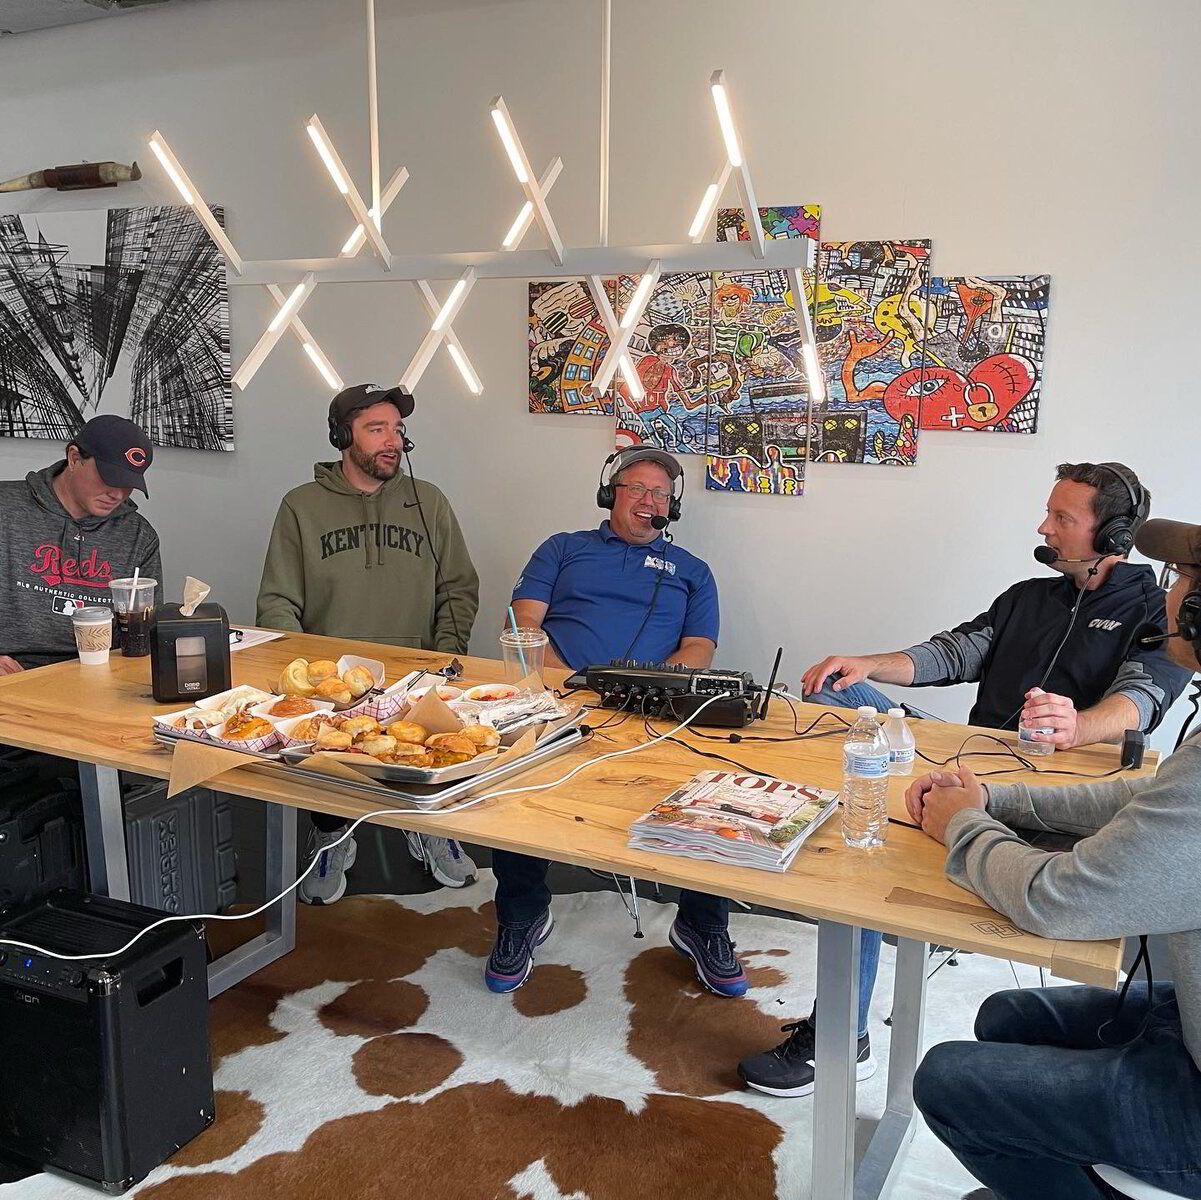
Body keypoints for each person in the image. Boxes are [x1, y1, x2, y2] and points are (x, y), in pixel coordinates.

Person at [738, 461, 1193, 1097]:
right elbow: (953, 652)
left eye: (1063, 518)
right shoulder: (1028, 597)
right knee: (837, 697)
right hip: (971, 761)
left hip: (1049, 791)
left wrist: (1078, 725)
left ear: (1114, 534)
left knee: (872, 841)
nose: (1044, 527)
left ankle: (844, 1034)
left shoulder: (1156, 608)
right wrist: (864, 662)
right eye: (1049, 512)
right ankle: (792, 821)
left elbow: (1144, 698)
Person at [908, 514, 1201, 1200]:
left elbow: (1057, 901)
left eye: (1185, 577)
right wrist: (999, 800)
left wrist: (963, 829)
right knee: (1007, 1018)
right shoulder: (1024, 598)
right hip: (1186, 1025)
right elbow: (1148, 797)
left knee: (946, 1080)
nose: (1172, 591)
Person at [488, 446, 736, 995]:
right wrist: (568, 686)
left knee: (712, 791)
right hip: (558, 701)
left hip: (653, 711)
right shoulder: (562, 549)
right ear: (610, 496)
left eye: (660, 495)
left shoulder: (693, 572)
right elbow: (524, 623)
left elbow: (699, 647)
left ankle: (702, 923)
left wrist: (648, 691)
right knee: (507, 778)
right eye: (637, 490)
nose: (649, 502)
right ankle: (523, 912)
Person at [256, 384, 480, 902]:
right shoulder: (301, 507)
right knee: (328, 764)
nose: (392, 441)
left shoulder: (429, 501)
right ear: (342, 436)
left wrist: (445, 657)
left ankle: (428, 827)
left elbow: (459, 587)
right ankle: (332, 834)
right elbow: (278, 600)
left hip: (416, 673)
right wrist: (306, 676)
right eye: (376, 429)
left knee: (429, 753)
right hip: (333, 679)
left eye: (397, 430)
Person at [0, 414, 161, 674]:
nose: (118, 495)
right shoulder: (6, 509)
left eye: (128, 484)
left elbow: (144, 636)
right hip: (11, 675)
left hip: (102, 674)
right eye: (110, 478)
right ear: (74, 458)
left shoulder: (139, 536)